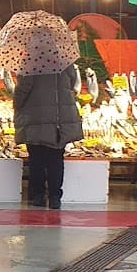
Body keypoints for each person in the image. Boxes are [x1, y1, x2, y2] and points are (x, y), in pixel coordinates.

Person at [12, 65, 82, 208]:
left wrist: (16, 104)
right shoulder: (64, 62)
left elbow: (23, 89)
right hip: (59, 120)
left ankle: (38, 196)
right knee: (56, 159)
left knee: (37, 159)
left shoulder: (32, 63)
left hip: (36, 118)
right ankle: (55, 197)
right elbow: (72, 82)